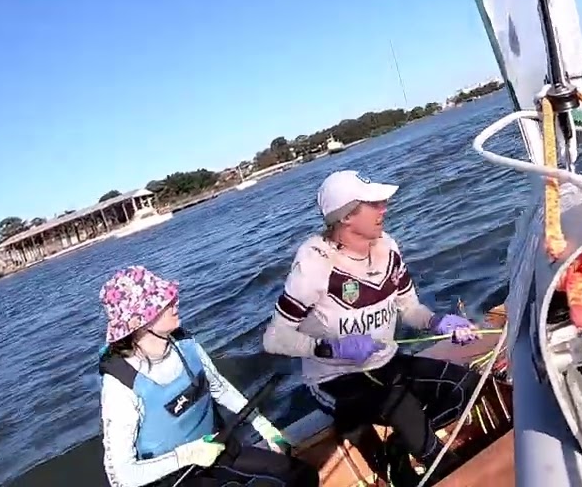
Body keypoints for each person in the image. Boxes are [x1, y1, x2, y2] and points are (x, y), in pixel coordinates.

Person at [262, 170, 483, 485]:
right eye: (374, 204)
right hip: (334, 380)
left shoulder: (387, 248)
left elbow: (409, 308)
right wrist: (330, 348)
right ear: (346, 217)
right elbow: (274, 339)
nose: (384, 208)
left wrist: (438, 321)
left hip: (385, 363)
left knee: (466, 387)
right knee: (401, 405)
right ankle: (440, 467)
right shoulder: (314, 265)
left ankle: (398, 446)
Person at [98, 265, 318, 487]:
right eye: (163, 302)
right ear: (140, 323)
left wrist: (264, 427)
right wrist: (186, 456)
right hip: (173, 478)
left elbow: (220, 389)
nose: (175, 302)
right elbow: (122, 476)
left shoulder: (185, 344)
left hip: (217, 449)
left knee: (303, 474)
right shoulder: (119, 386)